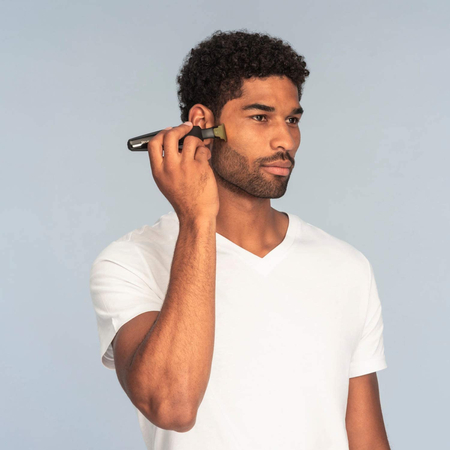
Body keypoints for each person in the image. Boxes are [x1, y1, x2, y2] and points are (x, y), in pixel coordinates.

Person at [90, 29, 391, 450]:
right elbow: (172, 406)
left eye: (292, 120)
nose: (285, 140)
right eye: (260, 117)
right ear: (202, 124)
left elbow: (367, 440)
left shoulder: (346, 267)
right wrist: (197, 218)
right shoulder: (130, 261)